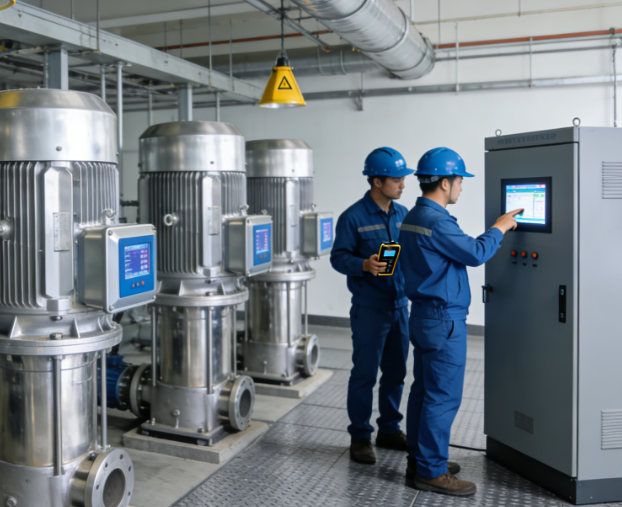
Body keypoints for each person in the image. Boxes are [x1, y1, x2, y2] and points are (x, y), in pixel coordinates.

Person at [398, 147, 522, 496]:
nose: (462, 188)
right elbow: (475, 252)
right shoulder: (437, 222)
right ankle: (432, 471)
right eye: (460, 181)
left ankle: (419, 459)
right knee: (442, 397)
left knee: (424, 391)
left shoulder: (412, 216)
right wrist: (499, 227)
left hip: (423, 316)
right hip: (444, 321)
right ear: (444, 183)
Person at [330, 147, 413, 464]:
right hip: (369, 308)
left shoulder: (403, 214)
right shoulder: (352, 217)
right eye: (397, 179)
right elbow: (338, 258)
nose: (403, 184)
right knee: (364, 374)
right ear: (377, 181)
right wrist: (364, 264)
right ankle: (360, 437)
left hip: (399, 306)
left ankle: (389, 429)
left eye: (403, 178)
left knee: (396, 373)